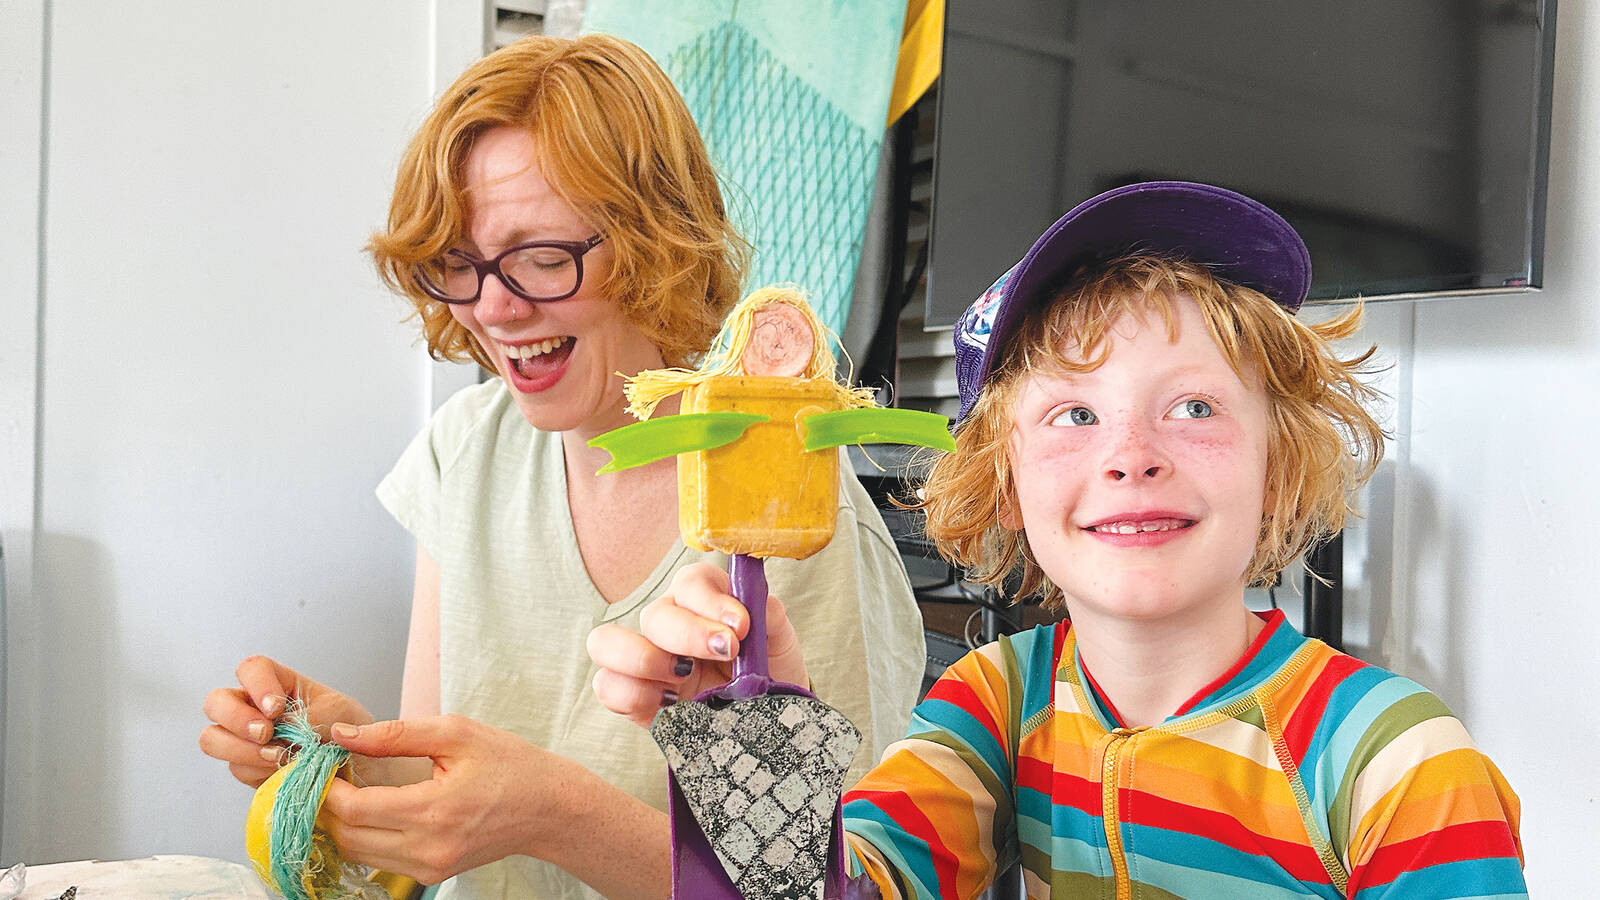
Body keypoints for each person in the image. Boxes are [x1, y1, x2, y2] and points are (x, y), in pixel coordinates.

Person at [590, 182, 1527, 897]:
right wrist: (760, 741)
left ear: (1278, 468)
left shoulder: (1400, 767)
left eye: (1192, 406)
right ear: (1004, 484)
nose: (1132, 456)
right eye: (1075, 415)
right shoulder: (996, 700)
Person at [197, 33, 926, 900]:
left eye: (542, 256)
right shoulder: (463, 451)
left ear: (658, 241)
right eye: (457, 264)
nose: (493, 308)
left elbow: (825, 887)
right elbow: (452, 792)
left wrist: (552, 813)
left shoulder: (788, 503)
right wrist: (350, 750)